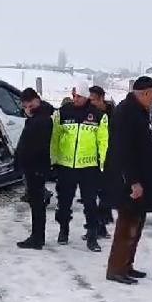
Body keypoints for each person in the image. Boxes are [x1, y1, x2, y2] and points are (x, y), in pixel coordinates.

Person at [105, 76, 152, 285]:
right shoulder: (126, 113)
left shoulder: (137, 111)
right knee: (127, 224)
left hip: (138, 180)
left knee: (136, 224)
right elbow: (123, 152)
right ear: (144, 93)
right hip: (128, 182)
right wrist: (133, 181)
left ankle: (127, 265)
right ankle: (116, 268)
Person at [50, 81, 109, 251]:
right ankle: (63, 230)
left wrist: (103, 165)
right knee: (64, 202)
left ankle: (92, 236)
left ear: (86, 97)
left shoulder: (98, 115)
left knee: (90, 203)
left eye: (79, 96)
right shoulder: (62, 113)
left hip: (88, 167)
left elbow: (103, 142)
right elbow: (55, 138)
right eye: (73, 95)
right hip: (66, 166)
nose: (75, 98)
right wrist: (53, 160)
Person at [15, 88, 54, 249]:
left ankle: (37, 238)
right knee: (36, 203)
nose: (27, 108)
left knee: (37, 203)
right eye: (25, 106)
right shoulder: (37, 117)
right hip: (32, 166)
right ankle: (37, 236)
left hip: (36, 167)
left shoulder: (42, 119)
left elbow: (38, 146)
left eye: (29, 104)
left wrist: (30, 163)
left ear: (36, 100)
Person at [88, 85, 116, 237]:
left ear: (101, 99)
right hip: (94, 158)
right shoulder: (91, 113)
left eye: (93, 100)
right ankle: (99, 227)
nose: (90, 103)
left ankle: (101, 226)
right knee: (94, 193)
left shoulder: (114, 115)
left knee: (105, 194)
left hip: (110, 159)